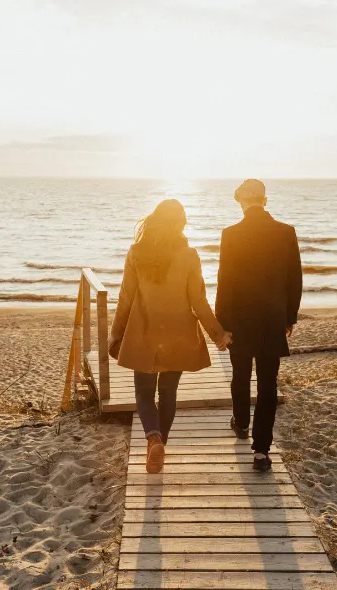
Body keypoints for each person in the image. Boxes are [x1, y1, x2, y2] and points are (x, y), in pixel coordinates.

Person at [109, 199, 232, 474]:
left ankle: (153, 438)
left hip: (143, 333)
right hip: (179, 333)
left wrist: (115, 334)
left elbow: (126, 299)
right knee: (168, 392)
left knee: (143, 392)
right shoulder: (189, 255)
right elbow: (198, 302)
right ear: (180, 225)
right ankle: (160, 443)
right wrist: (218, 334)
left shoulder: (136, 253)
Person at [215, 179, 302, 472]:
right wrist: (289, 317)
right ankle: (262, 451)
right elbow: (295, 280)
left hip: (239, 321)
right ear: (265, 201)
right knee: (267, 384)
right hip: (272, 319)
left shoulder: (230, 234)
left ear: (241, 202)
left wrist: (222, 324)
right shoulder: (285, 232)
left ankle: (240, 423)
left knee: (240, 376)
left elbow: (224, 283)